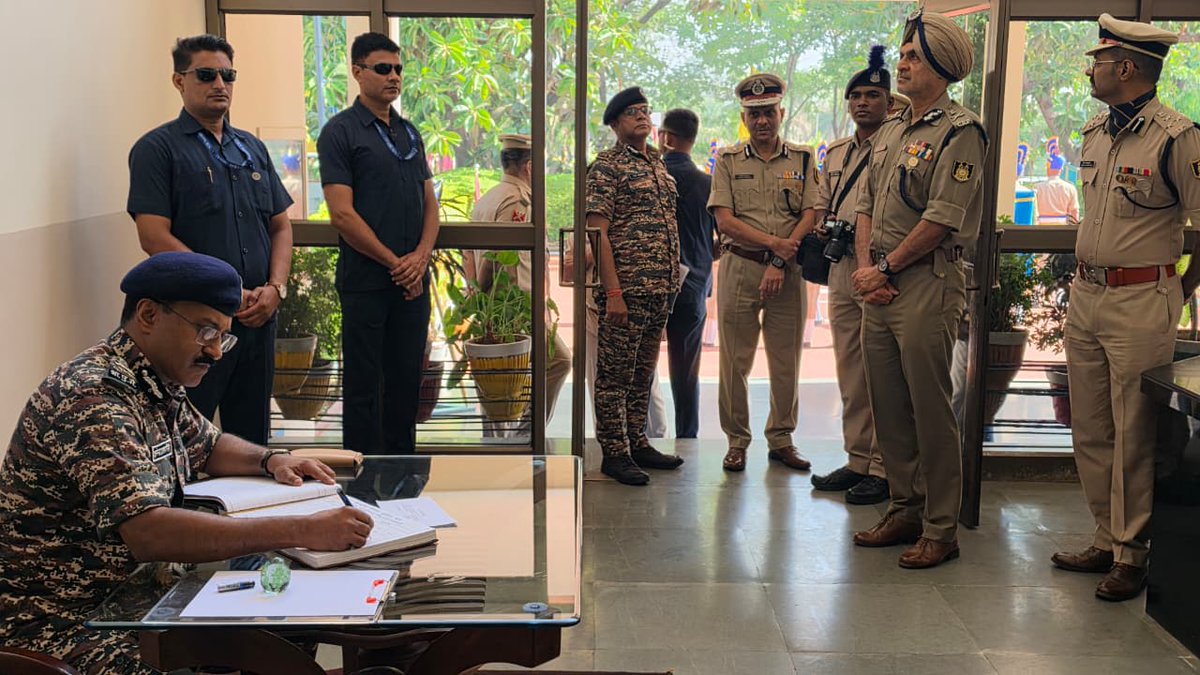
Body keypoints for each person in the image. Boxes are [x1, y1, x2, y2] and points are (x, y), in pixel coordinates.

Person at [0, 252, 373, 674]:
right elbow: (149, 532)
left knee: (287, 622)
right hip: (65, 625)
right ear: (148, 315)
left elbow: (207, 445)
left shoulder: (154, 379)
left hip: (144, 600)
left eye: (223, 337)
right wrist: (302, 530)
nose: (215, 352)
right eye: (206, 331)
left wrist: (272, 459)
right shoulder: (92, 396)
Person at [1052, 14, 1200, 602]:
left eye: (1099, 61)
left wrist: (1180, 290)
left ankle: (1132, 553)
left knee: (1135, 431)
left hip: (1143, 297)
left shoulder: (1177, 137)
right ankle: (1105, 536)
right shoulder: (1095, 131)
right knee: (1091, 426)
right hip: (1087, 294)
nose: (1091, 70)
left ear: (1128, 67)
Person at [850, 10, 987, 569]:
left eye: (913, 57)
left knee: (931, 410)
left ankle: (940, 527)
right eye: (903, 55)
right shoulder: (891, 129)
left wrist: (884, 270)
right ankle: (904, 508)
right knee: (888, 406)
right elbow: (864, 207)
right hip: (879, 288)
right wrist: (868, 270)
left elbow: (942, 218)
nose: (902, 65)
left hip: (927, 283)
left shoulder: (961, 131)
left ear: (941, 66)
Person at [128, 34, 294, 446]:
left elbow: (280, 226)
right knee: (187, 437)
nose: (220, 84)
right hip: (194, 323)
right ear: (179, 81)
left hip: (257, 317)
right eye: (206, 75)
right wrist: (224, 290)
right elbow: (153, 236)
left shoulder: (251, 148)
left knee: (252, 440)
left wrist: (276, 288)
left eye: (227, 75)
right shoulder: (157, 149)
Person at [317, 32, 440, 455]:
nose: (394, 77)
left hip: (413, 284)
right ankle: (361, 481)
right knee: (364, 389)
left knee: (406, 385)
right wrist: (396, 263)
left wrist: (420, 259)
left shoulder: (409, 133)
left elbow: (430, 203)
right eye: (383, 68)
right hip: (367, 283)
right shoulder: (339, 133)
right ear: (357, 72)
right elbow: (342, 215)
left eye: (398, 69)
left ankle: (404, 477)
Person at [707, 73, 820, 473]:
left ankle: (782, 439)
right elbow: (725, 221)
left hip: (787, 273)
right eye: (754, 114)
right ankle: (736, 441)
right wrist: (775, 246)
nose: (762, 121)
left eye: (769, 112)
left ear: (781, 114)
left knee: (786, 360)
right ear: (744, 118)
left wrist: (779, 260)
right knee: (733, 363)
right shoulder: (727, 160)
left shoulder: (803, 158)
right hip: (740, 268)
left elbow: (812, 213)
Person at [587, 87, 684, 485]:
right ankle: (614, 452)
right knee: (615, 376)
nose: (642, 116)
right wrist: (613, 292)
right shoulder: (607, 166)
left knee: (643, 373)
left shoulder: (658, 164)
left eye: (645, 110)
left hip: (659, 290)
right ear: (615, 123)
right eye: (632, 112)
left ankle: (637, 441)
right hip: (626, 291)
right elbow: (597, 232)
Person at [810, 47, 893, 506]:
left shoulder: (897, 146)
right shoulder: (838, 151)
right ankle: (858, 459)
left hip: (881, 269)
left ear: (889, 102)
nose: (863, 103)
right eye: (856, 96)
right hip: (843, 269)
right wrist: (824, 222)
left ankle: (884, 468)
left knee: (882, 371)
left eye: (873, 95)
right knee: (850, 370)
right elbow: (823, 199)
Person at [468, 133, 572, 433]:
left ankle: (499, 439)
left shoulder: (487, 199)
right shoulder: (518, 201)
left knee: (497, 376)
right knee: (558, 361)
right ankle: (527, 433)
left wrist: (475, 295)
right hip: (515, 306)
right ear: (529, 167)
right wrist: (483, 291)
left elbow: (468, 254)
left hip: (494, 307)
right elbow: (497, 253)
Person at [658, 109, 717, 439]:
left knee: (640, 367)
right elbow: (721, 238)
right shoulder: (708, 184)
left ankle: (641, 435)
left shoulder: (651, 178)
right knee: (686, 370)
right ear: (693, 140)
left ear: (665, 137)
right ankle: (686, 437)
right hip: (693, 285)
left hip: (651, 285)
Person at [1034, 154, 1081, 224]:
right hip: (1062, 226)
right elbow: (1074, 211)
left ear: (1048, 168)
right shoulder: (1070, 188)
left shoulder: (1037, 187)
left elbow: (1033, 210)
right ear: (1061, 170)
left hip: (1041, 226)